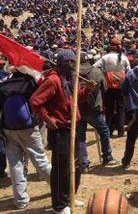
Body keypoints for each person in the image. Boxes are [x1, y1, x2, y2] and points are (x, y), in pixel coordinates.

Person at [30, 50, 95, 214]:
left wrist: (87, 89)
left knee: (76, 165)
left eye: (74, 62)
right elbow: (35, 101)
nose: (73, 65)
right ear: (61, 63)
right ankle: (59, 205)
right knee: (61, 168)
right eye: (69, 62)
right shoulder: (53, 80)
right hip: (60, 130)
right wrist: (47, 119)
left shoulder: (70, 79)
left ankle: (70, 197)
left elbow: (75, 98)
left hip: (73, 127)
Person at [0, 70, 51, 209]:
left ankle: (21, 201)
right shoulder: (30, 82)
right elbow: (39, 103)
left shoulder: (3, 83)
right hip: (29, 127)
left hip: (8, 128)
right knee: (40, 160)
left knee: (15, 164)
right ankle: (58, 188)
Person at [77, 53, 117, 173]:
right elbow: (105, 88)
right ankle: (107, 157)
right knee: (104, 132)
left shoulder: (73, 73)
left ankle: (84, 164)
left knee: (81, 137)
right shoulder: (97, 71)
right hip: (94, 108)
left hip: (79, 109)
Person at [94, 37, 130, 138]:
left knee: (109, 109)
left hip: (108, 86)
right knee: (121, 109)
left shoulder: (105, 57)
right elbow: (128, 70)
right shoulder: (123, 57)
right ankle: (120, 131)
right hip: (121, 86)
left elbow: (95, 66)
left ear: (110, 46)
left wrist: (104, 71)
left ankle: (109, 130)